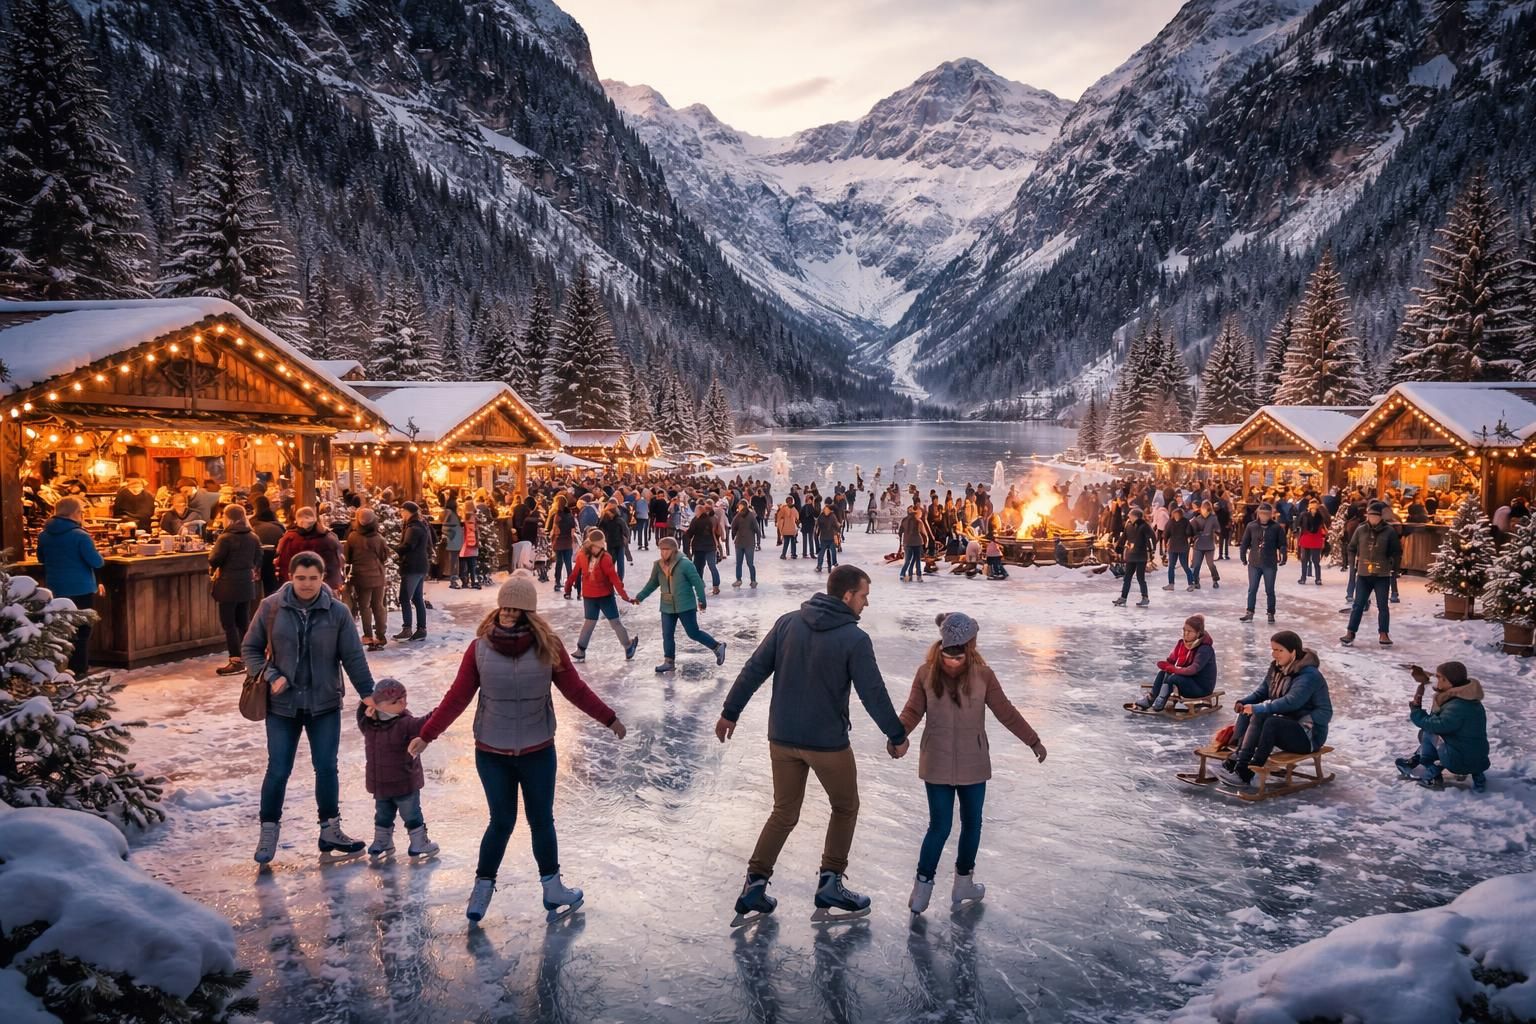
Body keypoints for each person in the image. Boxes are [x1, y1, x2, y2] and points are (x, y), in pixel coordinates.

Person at [408, 572, 627, 923]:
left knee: (542, 820)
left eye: (516, 608)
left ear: (529, 613)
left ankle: (552, 888)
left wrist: (609, 718)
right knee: (502, 821)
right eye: (504, 607)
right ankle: (482, 887)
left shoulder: (549, 647)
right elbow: (457, 698)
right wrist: (427, 734)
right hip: (491, 753)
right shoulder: (479, 649)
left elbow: (576, 690)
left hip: (537, 749)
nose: (508, 613)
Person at [715, 565, 910, 925]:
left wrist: (730, 711)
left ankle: (754, 885)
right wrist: (896, 735)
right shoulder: (854, 639)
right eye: (864, 596)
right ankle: (830, 882)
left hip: (783, 738)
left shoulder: (789, 623)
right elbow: (874, 694)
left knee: (784, 812)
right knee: (845, 806)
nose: (866, 604)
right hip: (827, 743)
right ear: (848, 595)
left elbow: (754, 669)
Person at [898, 612, 1045, 915]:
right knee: (969, 824)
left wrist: (896, 736)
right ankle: (961, 883)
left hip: (942, 762)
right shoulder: (970, 673)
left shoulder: (934, 671)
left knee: (940, 826)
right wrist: (1033, 740)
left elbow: (912, 711)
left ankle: (922, 892)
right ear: (969, 641)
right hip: (969, 763)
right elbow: (1007, 712)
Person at [242, 550, 377, 864]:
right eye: (300, 578)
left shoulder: (338, 612)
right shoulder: (271, 607)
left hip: (324, 704)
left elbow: (353, 658)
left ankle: (330, 830)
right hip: (282, 706)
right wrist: (270, 675)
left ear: (323, 578)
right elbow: (250, 649)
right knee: (278, 769)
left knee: (327, 767)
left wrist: (368, 694)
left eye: (313, 578)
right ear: (290, 577)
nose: (306, 584)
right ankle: (268, 833)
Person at [1210, 630, 1332, 790]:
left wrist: (1257, 708)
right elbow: (1263, 691)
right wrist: (1244, 702)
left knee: (1268, 720)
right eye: (1273, 649)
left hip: (1309, 734)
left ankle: (1245, 773)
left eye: (1279, 650)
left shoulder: (1309, 676)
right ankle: (1233, 762)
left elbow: (1291, 702)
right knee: (1253, 714)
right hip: (1289, 724)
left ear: (1293, 652)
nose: (1274, 654)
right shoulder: (1277, 668)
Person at [358, 678, 439, 858]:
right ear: (377, 705)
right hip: (381, 785)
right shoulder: (369, 724)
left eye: (404, 697)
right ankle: (383, 840)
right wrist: (364, 706)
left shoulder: (406, 723)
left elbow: (424, 723)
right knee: (382, 816)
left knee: (411, 815)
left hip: (405, 784)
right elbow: (361, 712)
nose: (402, 703)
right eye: (395, 702)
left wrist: (440, 712)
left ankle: (418, 842)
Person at [632, 536, 725, 673]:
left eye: (666, 549)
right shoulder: (658, 565)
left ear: (674, 550)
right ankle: (669, 661)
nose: (663, 553)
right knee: (667, 634)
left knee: (693, 633)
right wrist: (640, 597)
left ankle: (717, 647)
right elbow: (652, 584)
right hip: (667, 605)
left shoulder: (685, 564)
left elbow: (698, 583)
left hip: (685, 605)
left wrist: (702, 600)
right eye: (661, 550)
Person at [35, 496, 105, 678]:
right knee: (82, 631)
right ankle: (79, 669)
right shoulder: (80, 536)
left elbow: (41, 559)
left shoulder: (44, 535)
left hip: (56, 588)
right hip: (81, 588)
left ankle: (60, 668)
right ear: (75, 513)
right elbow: (96, 562)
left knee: (61, 629)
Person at [1396, 662, 1489, 791]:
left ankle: (1427, 768)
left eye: (1439, 677)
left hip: (1459, 760)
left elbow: (1436, 725)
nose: (1436, 680)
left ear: (1447, 680)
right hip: (1478, 758)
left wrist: (1416, 711)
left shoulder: (1458, 706)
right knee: (1439, 734)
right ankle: (1478, 777)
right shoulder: (1471, 702)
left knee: (1428, 732)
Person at [566, 528, 639, 662]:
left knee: (592, 622)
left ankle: (581, 650)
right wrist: (625, 597)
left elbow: (575, 573)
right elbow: (614, 578)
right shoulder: (604, 558)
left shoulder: (583, 554)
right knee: (613, 622)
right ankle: (628, 647)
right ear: (599, 543)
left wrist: (568, 587)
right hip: (604, 596)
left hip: (591, 595)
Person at [207, 504, 263, 677]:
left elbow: (214, 559)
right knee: (243, 622)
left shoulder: (226, 538)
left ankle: (236, 660)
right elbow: (258, 557)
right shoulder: (253, 536)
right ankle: (249, 657)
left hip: (227, 584)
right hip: (246, 583)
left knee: (229, 624)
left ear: (228, 517)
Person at [1341, 501, 1402, 647]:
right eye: (1370, 516)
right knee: (1358, 604)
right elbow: (1351, 547)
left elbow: (1396, 552)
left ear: (1380, 517)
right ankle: (1350, 632)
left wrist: (1393, 566)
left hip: (1381, 575)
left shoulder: (1389, 532)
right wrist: (1353, 562)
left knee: (1383, 606)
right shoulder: (1361, 530)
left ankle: (1384, 633)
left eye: (1375, 516)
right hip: (1363, 574)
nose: (1373, 518)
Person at [1134, 615, 1216, 711]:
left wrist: (1174, 669)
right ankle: (1151, 698)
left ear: (1198, 633)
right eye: (1184, 630)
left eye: (1189, 631)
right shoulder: (1182, 644)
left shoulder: (1204, 649)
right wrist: (1167, 665)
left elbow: (1193, 669)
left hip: (1201, 687)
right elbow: (1171, 660)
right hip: (1188, 681)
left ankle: (1161, 699)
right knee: (1163, 673)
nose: (1185, 633)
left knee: (1174, 677)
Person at [345, 508, 391, 651]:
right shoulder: (379, 538)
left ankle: (368, 637)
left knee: (364, 607)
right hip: (378, 576)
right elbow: (385, 557)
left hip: (361, 577)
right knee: (378, 606)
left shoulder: (353, 537)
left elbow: (347, 558)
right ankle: (381, 636)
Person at [1239, 502, 1287, 625]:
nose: (1264, 516)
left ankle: (1271, 612)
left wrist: (1283, 554)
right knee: (1252, 589)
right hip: (1254, 563)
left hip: (1269, 563)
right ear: (1258, 514)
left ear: (1270, 515)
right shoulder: (1251, 526)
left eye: (1267, 514)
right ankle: (1250, 612)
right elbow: (1244, 542)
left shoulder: (1276, 527)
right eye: (1262, 513)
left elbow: (1282, 543)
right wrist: (1243, 556)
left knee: (1269, 590)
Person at [275, 506, 344, 589]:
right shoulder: (329, 538)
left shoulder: (288, 539)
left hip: (296, 587)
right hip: (324, 586)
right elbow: (337, 562)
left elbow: (282, 565)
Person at [394, 501, 432, 641]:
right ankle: (421, 629)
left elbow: (408, 546)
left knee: (405, 598)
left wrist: (394, 549)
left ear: (407, 511)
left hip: (412, 567)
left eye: (402, 511)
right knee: (417, 598)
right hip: (420, 565)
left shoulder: (413, 528)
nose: (400, 514)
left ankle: (407, 628)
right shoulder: (419, 525)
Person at [1113, 506, 1153, 607]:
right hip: (1131, 556)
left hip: (1141, 556)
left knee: (1140, 578)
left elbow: (1151, 538)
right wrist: (1118, 548)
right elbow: (1123, 538)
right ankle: (1123, 597)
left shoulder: (1144, 526)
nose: (1128, 516)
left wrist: (1151, 550)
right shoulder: (1129, 525)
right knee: (1127, 578)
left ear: (1135, 516)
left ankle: (1145, 597)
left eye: (1130, 515)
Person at [684, 500, 723, 595]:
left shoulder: (696, 521)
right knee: (712, 566)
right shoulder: (711, 519)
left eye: (696, 511)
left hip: (699, 547)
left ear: (699, 512)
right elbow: (717, 531)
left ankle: (700, 584)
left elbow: (690, 533)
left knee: (698, 567)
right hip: (711, 546)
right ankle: (716, 586)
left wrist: (686, 533)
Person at [1161, 505, 1195, 591]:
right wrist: (1165, 544)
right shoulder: (1171, 522)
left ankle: (1191, 583)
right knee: (1171, 566)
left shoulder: (1185, 522)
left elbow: (1190, 533)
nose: (1176, 516)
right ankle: (1171, 584)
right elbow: (1165, 534)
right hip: (1173, 547)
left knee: (1185, 566)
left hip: (1182, 547)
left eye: (1177, 514)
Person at [1295, 497, 1329, 586]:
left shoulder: (1319, 516)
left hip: (1314, 539)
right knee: (1304, 560)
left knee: (1315, 561)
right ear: (1309, 507)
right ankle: (1304, 578)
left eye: (1315, 506)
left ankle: (1317, 579)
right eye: (1312, 506)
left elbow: (1319, 525)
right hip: (1307, 539)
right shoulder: (1305, 515)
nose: (1313, 508)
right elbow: (1299, 524)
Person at [1190, 500, 1221, 590]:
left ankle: (1215, 579)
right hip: (1199, 545)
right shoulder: (1197, 519)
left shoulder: (1213, 518)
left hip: (1209, 545)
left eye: (1206, 510)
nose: (1204, 512)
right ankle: (1196, 581)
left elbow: (1218, 529)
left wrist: (1216, 532)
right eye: (1203, 509)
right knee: (1196, 565)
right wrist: (1195, 535)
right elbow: (1192, 530)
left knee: (1210, 563)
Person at [899, 503, 932, 582]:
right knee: (917, 560)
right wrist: (926, 543)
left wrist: (901, 543)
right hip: (917, 543)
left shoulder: (904, 520)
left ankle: (903, 574)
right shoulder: (918, 521)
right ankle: (918, 575)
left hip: (907, 543)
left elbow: (900, 532)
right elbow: (924, 534)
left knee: (908, 560)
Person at [732, 500, 759, 588]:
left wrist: (758, 542)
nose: (739, 508)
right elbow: (733, 526)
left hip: (749, 543)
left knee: (750, 563)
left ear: (744, 506)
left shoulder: (751, 516)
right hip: (739, 543)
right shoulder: (738, 516)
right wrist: (733, 536)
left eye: (740, 506)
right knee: (738, 563)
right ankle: (738, 579)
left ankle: (753, 580)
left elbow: (757, 529)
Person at [442, 499, 465, 589]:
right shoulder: (450, 513)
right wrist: (453, 534)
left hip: (455, 540)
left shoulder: (450, 513)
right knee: (453, 562)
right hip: (454, 541)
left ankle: (454, 579)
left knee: (454, 561)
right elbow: (445, 527)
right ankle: (453, 580)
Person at [458, 501, 481, 589]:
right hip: (472, 544)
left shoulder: (463, 519)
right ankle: (473, 581)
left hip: (464, 544)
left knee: (463, 565)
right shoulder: (474, 518)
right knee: (472, 565)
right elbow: (476, 532)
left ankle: (464, 582)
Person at [816, 500, 843, 573]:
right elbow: (836, 526)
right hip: (830, 537)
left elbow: (817, 526)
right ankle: (834, 563)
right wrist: (839, 527)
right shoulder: (832, 516)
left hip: (823, 537)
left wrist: (817, 534)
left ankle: (819, 566)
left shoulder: (821, 516)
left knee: (821, 552)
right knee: (833, 551)